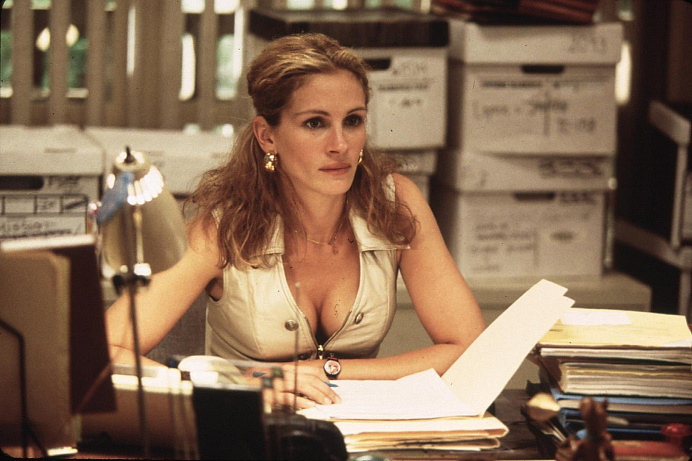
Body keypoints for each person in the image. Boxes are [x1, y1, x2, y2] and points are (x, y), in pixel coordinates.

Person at [106, 32, 485, 408]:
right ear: (267, 136)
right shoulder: (223, 226)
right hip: (248, 426)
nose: (340, 145)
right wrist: (236, 387)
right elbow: (105, 351)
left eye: (353, 120)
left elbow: (470, 347)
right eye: (315, 123)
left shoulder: (394, 203)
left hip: (356, 428)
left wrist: (327, 371)